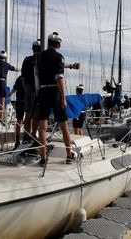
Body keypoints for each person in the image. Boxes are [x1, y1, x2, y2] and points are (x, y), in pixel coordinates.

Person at [37, 32, 80, 167]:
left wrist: (71, 66)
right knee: (64, 125)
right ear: (59, 45)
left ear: (49, 43)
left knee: (42, 127)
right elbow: (59, 77)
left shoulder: (41, 57)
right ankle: (69, 155)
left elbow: (54, 64)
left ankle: (43, 158)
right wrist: (64, 99)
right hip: (55, 92)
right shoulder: (58, 57)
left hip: (42, 91)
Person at [21, 40, 42, 144]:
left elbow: (23, 77)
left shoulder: (27, 60)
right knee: (37, 113)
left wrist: (26, 89)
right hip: (40, 88)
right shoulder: (43, 59)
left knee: (28, 113)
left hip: (29, 87)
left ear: (32, 48)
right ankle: (33, 134)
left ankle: (26, 136)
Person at [9, 76, 25, 149]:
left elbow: (14, 88)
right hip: (26, 101)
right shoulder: (30, 77)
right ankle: (25, 139)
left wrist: (9, 95)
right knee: (28, 119)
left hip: (19, 101)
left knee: (19, 121)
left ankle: (17, 142)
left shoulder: (19, 78)